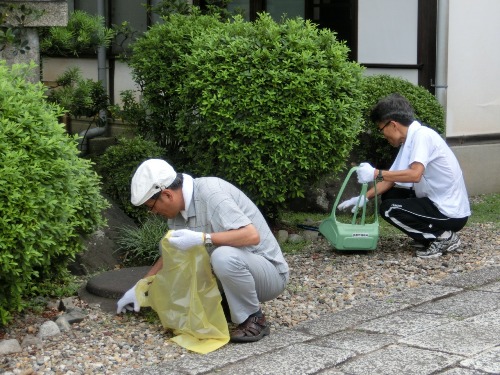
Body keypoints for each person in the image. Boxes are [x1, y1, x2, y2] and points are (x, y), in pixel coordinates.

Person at [116, 159, 289, 343]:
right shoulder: (177, 214)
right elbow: (170, 254)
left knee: (222, 257)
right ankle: (228, 306)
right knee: (186, 266)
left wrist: (203, 238)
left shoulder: (211, 193)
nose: (153, 212)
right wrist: (141, 287)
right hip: (239, 275)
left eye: (151, 207)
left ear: (167, 195)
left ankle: (254, 319)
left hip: (270, 274)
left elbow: (251, 235)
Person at [338, 93, 471, 258]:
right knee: (391, 195)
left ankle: (443, 237)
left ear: (393, 125)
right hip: (437, 203)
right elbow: (391, 180)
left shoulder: (422, 136)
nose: (383, 135)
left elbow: (415, 175)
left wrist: (375, 173)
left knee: (389, 209)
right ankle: (427, 235)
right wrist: (363, 198)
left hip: (449, 212)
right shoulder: (410, 139)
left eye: (381, 129)